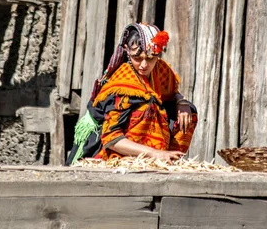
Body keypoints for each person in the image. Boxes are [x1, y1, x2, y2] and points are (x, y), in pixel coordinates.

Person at [66, 23, 197, 164]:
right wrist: (154, 153)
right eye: (138, 58)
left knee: (189, 111)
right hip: (117, 154)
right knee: (144, 108)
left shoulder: (160, 70)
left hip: (155, 154)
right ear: (128, 52)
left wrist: (181, 101)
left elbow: (171, 93)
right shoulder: (121, 85)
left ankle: (170, 159)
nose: (144, 65)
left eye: (150, 58)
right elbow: (111, 139)